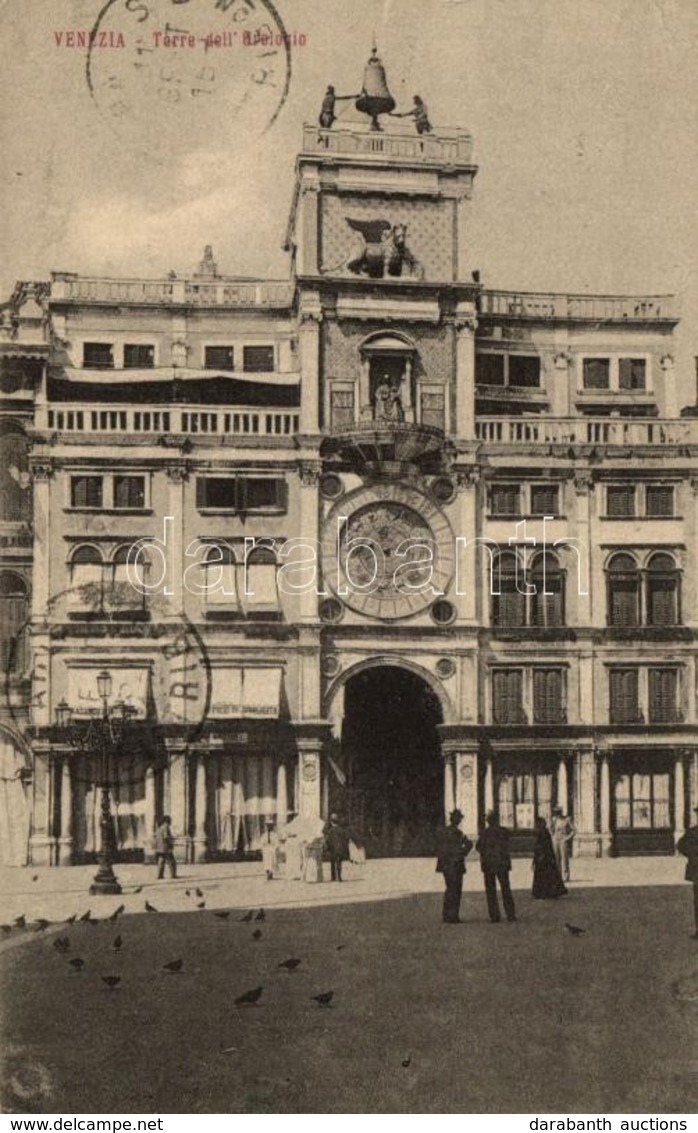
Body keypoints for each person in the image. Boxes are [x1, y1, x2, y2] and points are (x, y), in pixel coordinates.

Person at [476, 810, 516, 923]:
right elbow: (509, 843)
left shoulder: (484, 833)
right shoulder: (504, 832)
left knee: (491, 890)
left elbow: (478, 847)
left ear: (488, 821)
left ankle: (494, 915)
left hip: (489, 865)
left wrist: (486, 854)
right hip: (502, 864)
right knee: (506, 889)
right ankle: (510, 914)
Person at [436, 808, 473, 924]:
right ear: (457, 820)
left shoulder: (443, 832)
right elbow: (468, 845)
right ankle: (454, 916)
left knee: (449, 889)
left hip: (446, 865)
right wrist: (463, 851)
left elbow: (440, 848)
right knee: (456, 890)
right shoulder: (458, 833)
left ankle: (446, 915)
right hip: (456, 865)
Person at [531, 815, 568, 899]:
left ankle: (544, 892)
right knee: (546, 876)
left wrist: (539, 857)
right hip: (544, 857)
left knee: (545, 876)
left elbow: (544, 846)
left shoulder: (543, 833)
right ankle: (545, 892)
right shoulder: (542, 832)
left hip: (544, 857)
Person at [677, 806, 698, 939]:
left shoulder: (693, 832)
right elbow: (681, 845)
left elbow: (681, 846)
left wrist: (692, 856)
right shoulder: (693, 832)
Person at [550, 805, 575, 882]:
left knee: (564, 858)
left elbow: (574, 830)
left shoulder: (567, 820)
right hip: (555, 840)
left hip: (563, 840)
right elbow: (550, 828)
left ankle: (565, 876)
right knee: (556, 858)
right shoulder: (554, 820)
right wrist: (552, 835)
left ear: (561, 812)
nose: (557, 814)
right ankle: (557, 876)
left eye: (558, 812)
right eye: (556, 812)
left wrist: (567, 838)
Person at [323, 813, 350, 882]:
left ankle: (333, 877)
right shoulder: (341, 830)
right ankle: (339, 877)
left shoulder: (330, 831)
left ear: (331, 822)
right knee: (339, 862)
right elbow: (346, 839)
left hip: (333, 849)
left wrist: (327, 848)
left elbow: (328, 840)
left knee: (332, 862)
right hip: (340, 849)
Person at [154, 814, 177, 880]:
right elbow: (166, 836)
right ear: (168, 821)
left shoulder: (160, 827)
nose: (171, 822)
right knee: (172, 861)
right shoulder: (166, 827)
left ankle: (160, 875)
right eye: (170, 820)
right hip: (166, 847)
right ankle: (173, 874)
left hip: (160, 847)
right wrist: (172, 839)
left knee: (161, 861)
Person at [261, 816, 280, 881]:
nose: (269, 827)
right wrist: (263, 848)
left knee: (272, 862)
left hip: (272, 849)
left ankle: (271, 873)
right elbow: (262, 843)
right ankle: (268, 872)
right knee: (266, 862)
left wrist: (275, 848)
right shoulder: (264, 835)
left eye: (270, 826)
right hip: (266, 850)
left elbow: (277, 843)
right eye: (268, 826)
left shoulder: (274, 835)